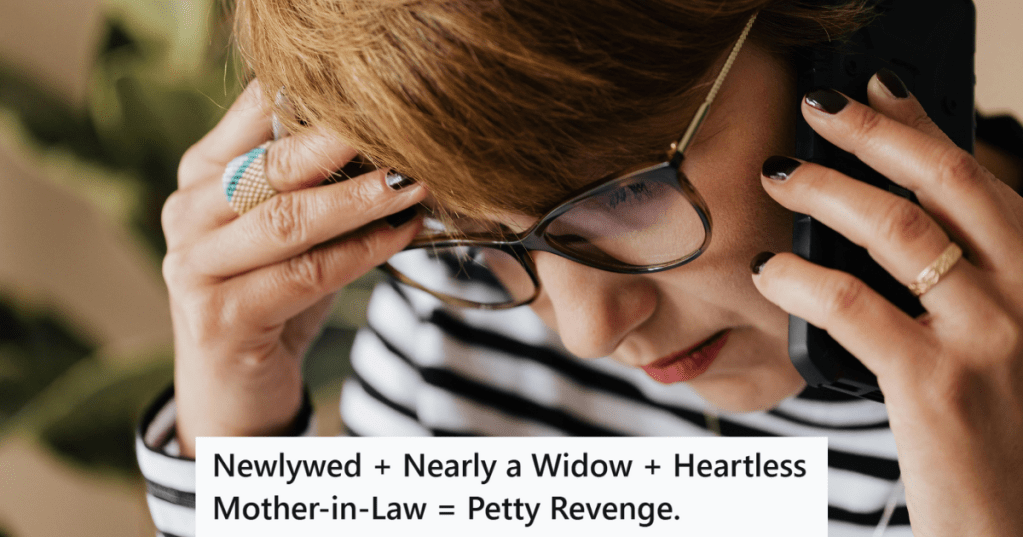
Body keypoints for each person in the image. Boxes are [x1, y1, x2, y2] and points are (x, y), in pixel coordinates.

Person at [137, 1, 1023, 536]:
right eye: (474, 232)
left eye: (629, 190)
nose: (587, 331)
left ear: (865, 40)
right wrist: (235, 441)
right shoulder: (456, 316)